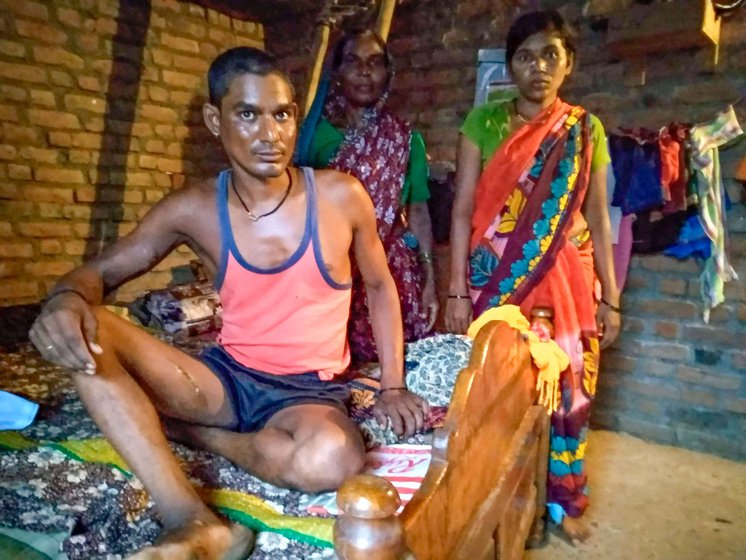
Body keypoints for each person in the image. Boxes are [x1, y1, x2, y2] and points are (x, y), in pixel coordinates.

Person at [29, 46, 428, 559]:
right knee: (85, 326)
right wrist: (63, 299)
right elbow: (100, 272)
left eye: (282, 114)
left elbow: (379, 286)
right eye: (248, 114)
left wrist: (393, 385)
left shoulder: (339, 196)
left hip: (306, 392)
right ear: (215, 121)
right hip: (224, 381)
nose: (271, 134)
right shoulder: (193, 208)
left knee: (331, 461)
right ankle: (192, 520)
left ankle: (195, 434)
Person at [444, 10, 621, 543]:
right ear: (510, 65)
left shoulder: (584, 130)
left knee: (567, 386)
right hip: (494, 279)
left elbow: (598, 215)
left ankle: (563, 502)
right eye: (526, 56)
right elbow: (460, 211)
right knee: (498, 387)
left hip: (567, 278)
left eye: (551, 55)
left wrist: (610, 298)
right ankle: (496, 496)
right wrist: (455, 288)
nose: (538, 67)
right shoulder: (483, 123)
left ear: (568, 64)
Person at [297, 29, 438, 362]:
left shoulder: (405, 140)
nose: (364, 71)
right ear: (337, 73)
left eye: (374, 63)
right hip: (333, 272)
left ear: (388, 74)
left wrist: (430, 280)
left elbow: (417, 212)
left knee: (392, 363)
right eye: (353, 62)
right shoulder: (314, 140)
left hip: (392, 275)